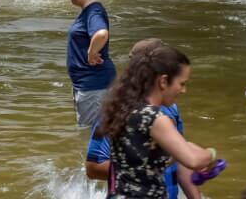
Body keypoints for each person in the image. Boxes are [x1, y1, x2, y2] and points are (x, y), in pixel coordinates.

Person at [86, 40, 201, 199]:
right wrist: (141, 165)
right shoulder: (114, 112)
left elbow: (182, 161)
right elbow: (93, 168)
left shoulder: (171, 109)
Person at [65, 0, 115, 127]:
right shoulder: (90, 11)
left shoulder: (94, 11)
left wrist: (92, 52)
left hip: (94, 84)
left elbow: (101, 33)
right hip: (88, 83)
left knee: (90, 134)